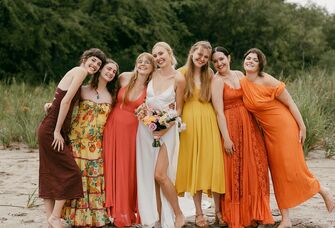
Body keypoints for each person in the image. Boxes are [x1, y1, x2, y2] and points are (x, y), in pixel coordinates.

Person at [240, 48, 335, 228]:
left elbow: (290, 102)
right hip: (268, 134)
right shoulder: (243, 82)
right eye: (248, 58)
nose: (250, 61)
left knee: (292, 169)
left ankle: (323, 190)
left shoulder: (267, 80)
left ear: (260, 65)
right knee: (277, 173)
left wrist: (302, 126)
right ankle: (286, 219)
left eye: (255, 59)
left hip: (285, 128)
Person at [37, 48, 106, 228]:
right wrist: (57, 130)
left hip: (48, 127)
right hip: (52, 129)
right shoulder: (80, 71)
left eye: (98, 64)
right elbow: (66, 101)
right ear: (84, 58)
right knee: (72, 173)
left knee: (49, 172)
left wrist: (50, 108)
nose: (95, 65)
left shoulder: (76, 73)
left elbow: (58, 99)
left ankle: (50, 219)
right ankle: (54, 217)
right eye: (92, 60)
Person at [211, 46, 274, 227]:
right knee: (236, 169)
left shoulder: (240, 74)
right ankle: (239, 215)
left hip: (250, 126)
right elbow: (219, 112)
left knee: (254, 167)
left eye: (221, 59)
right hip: (231, 126)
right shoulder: (216, 81)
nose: (219, 63)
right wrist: (226, 138)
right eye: (215, 61)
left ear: (229, 58)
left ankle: (256, 214)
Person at [61, 58, 119, 227]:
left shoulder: (111, 96)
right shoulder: (83, 90)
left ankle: (94, 217)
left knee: (93, 180)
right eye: (108, 69)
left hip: (96, 145)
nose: (110, 72)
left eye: (114, 71)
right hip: (77, 141)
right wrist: (50, 105)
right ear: (100, 70)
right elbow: (65, 103)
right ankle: (72, 216)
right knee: (76, 178)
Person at [175, 41, 225, 227]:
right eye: (199, 55)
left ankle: (218, 210)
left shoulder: (210, 74)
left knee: (213, 166)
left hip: (209, 121)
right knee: (195, 168)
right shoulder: (180, 74)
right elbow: (176, 103)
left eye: (206, 57)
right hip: (189, 124)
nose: (202, 59)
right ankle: (198, 212)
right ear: (192, 52)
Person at [136, 42, 186, 228]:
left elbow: (179, 109)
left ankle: (178, 213)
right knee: (152, 176)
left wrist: (163, 128)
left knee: (160, 175)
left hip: (167, 130)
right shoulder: (152, 74)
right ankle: (158, 217)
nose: (158, 58)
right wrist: (143, 111)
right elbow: (145, 98)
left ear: (169, 52)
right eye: (155, 55)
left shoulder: (179, 79)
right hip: (146, 130)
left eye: (161, 54)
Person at [103, 52, 155, 227]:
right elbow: (104, 90)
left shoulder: (152, 87)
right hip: (113, 126)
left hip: (133, 131)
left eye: (147, 62)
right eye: (140, 61)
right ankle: (108, 209)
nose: (142, 64)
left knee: (127, 169)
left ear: (153, 67)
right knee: (110, 165)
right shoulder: (124, 77)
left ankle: (125, 211)